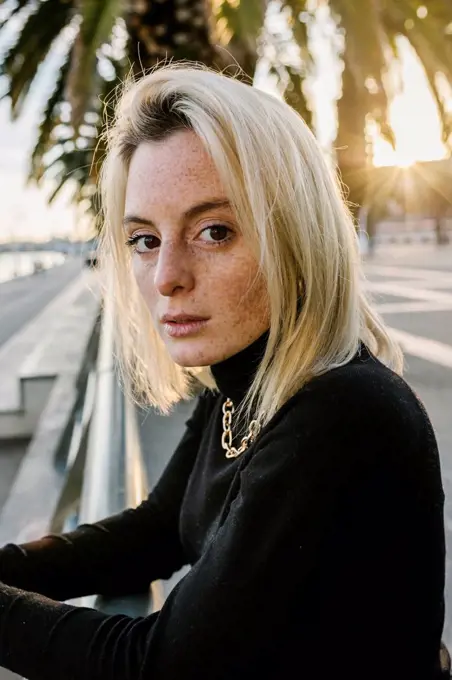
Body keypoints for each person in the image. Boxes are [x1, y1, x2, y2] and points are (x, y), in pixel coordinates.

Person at [0, 63, 449, 680]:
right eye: (144, 239)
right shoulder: (243, 382)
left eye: (214, 231)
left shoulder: (342, 413)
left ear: (296, 235)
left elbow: (163, 665)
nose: (166, 278)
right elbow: (158, 529)